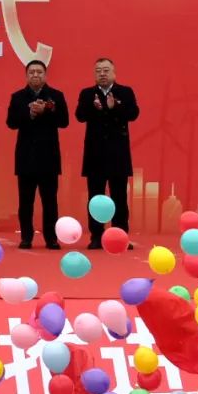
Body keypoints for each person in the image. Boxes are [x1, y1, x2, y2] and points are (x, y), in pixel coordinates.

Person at [75, 58, 140, 250]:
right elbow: (79, 116)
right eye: (98, 71)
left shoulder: (125, 92)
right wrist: (93, 107)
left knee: (119, 197)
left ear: (114, 73)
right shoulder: (87, 94)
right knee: (96, 198)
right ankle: (96, 236)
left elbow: (133, 114)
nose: (102, 74)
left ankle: (120, 237)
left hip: (118, 154)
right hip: (94, 154)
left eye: (105, 70)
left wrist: (115, 107)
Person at [6, 60, 68, 250]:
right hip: (26, 157)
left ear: (45, 75)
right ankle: (26, 237)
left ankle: (51, 238)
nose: (35, 75)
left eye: (39, 72)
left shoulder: (56, 96)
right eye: (32, 72)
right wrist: (30, 114)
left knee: (50, 201)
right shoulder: (17, 97)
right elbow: (11, 122)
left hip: (49, 157)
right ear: (26, 76)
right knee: (25, 201)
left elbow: (64, 121)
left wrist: (46, 111)